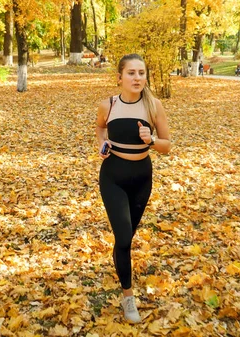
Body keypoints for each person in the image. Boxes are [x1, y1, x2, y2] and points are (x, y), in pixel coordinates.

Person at [95, 54, 171, 323]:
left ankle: (118, 254)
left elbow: (167, 146)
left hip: (141, 178)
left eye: (141, 73)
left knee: (125, 239)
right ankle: (128, 298)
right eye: (131, 73)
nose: (137, 77)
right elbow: (100, 130)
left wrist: (151, 140)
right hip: (113, 177)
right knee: (125, 238)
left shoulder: (153, 106)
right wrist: (102, 145)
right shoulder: (109, 105)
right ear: (119, 77)